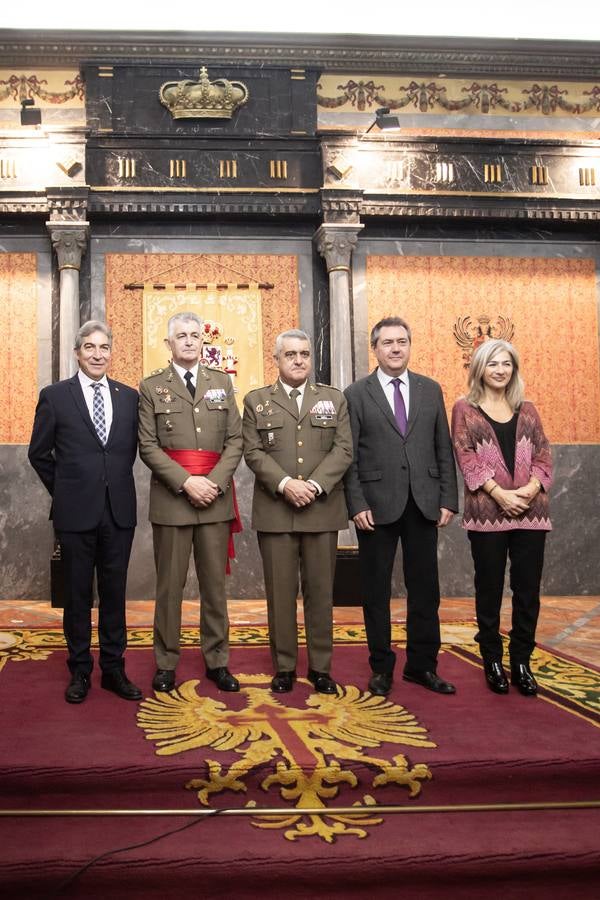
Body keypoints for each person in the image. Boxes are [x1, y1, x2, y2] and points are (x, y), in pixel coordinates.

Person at [344, 316, 458, 697]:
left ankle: (422, 666)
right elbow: (350, 456)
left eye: (402, 341)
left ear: (410, 346)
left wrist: (448, 497)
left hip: (424, 502)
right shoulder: (356, 394)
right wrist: (356, 502)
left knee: (426, 589)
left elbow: (443, 446)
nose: (395, 348)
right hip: (375, 507)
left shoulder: (430, 389)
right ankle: (381, 668)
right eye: (388, 342)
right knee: (375, 590)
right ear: (374, 348)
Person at [28, 320, 141, 704]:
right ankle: (79, 671)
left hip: (119, 512)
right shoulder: (55, 396)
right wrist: (65, 491)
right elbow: (38, 453)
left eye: (104, 347)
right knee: (77, 596)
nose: (97, 354)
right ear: (77, 352)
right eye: (90, 347)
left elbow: (129, 452)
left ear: (112, 352)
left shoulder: (129, 398)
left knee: (114, 594)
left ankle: (113, 669)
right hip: (75, 513)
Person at [242, 329, 353, 694]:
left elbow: (343, 450)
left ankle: (321, 668)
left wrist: (315, 485)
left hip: (322, 509)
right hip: (277, 510)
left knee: (321, 593)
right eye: (290, 354)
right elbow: (253, 451)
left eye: (304, 353)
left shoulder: (334, 399)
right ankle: (285, 667)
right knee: (280, 592)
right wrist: (287, 484)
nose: (299, 360)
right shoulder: (257, 401)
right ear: (276, 359)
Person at [138, 312, 243, 693]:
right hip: (172, 502)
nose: (187, 341)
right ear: (168, 344)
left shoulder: (222, 383)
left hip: (214, 500)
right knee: (169, 587)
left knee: (215, 587)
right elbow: (147, 445)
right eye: (180, 336)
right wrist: (186, 483)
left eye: (194, 335)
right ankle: (166, 662)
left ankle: (217, 661)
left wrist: (211, 484)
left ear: (203, 341)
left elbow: (236, 441)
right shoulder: (152, 387)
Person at [451, 339, 552, 696]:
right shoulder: (465, 409)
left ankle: (521, 660)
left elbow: (543, 456)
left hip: (531, 514)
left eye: (506, 364)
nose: (500, 370)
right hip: (488, 514)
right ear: (480, 368)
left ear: (514, 369)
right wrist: (499, 495)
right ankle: (492, 659)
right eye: (492, 363)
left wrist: (527, 492)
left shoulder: (529, 410)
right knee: (489, 588)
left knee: (528, 591)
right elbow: (467, 459)